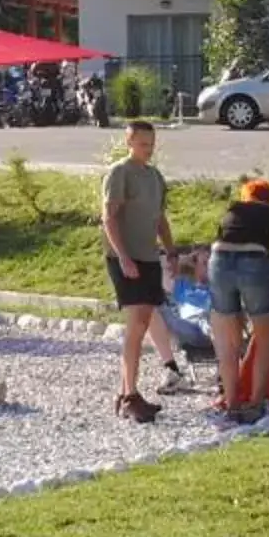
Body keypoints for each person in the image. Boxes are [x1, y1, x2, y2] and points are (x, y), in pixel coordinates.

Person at [205, 179, 269, 421]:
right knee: (264, 338)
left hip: (218, 260)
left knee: (227, 342)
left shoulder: (232, 211)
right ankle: (255, 404)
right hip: (254, 262)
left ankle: (232, 403)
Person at [101, 119, 173, 423]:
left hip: (148, 255)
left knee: (144, 320)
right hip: (125, 256)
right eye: (143, 144)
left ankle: (126, 393)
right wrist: (123, 257)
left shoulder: (154, 176)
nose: (148, 149)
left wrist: (170, 249)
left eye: (151, 144)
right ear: (129, 142)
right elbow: (109, 217)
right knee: (137, 323)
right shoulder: (120, 173)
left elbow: (159, 217)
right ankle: (130, 393)